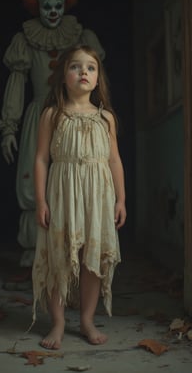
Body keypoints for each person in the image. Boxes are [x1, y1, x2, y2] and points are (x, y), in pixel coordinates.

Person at [0, 0, 105, 283]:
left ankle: (76, 248)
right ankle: (35, 249)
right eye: (47, 6)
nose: (54, 12)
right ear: (36, 6)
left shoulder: (80, 36)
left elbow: (93, 78)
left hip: (75, 116)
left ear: (66, 4)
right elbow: (16, 84)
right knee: (35, 180)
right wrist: (9, 127)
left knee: (75, 179)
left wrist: (97, 118)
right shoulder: (25, 39)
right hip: (40, 115)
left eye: (58, 4)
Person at [32, 45, 126, 350]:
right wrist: (41, 200)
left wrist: (121, 200)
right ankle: (58, 323)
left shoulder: (106, 118)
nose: (83, 72)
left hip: (98, 196)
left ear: (98, 80)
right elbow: (42, 158)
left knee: (92, 258)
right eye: (75, 67)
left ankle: (86, 320)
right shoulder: (52, 114)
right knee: (60, 254)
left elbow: (114, 160)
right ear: (63, 77)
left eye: (90, 68)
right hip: (63, 193)